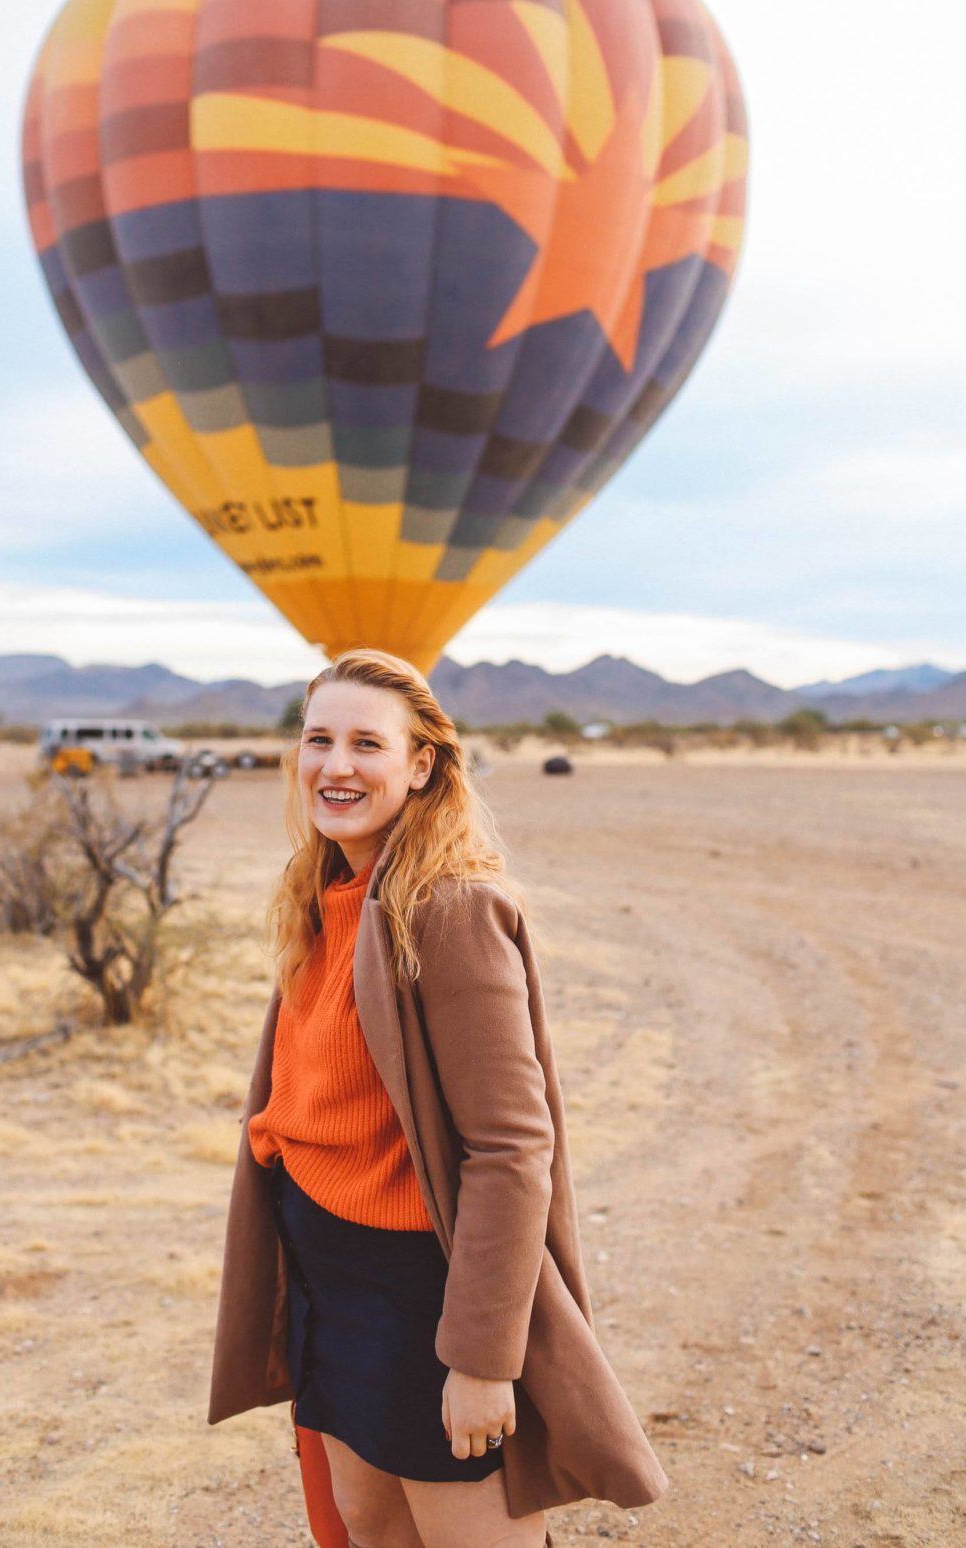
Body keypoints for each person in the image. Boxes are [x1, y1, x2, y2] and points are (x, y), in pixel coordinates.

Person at [207, 647, 668, 1547]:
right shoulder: (327, 891)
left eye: (367, 745)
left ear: (421, 765)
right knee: (371, 1529)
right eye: (318, 740)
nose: (336, 766)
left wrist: (482, 1361)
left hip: (423, 1294)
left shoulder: (449, 908)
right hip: (327, 1277)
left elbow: (508, 1148)